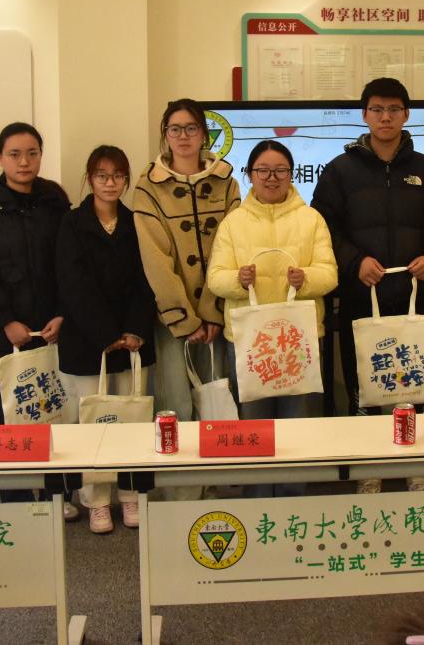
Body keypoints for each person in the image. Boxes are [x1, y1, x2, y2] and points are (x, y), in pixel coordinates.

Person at [312, 77, 424, 494]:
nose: (385, 117)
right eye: (377, 109)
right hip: (361, 301)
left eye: (394, 109)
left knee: (418, 389)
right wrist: (354, 261)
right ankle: (368, 471)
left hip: (417, 301)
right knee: (364, 394)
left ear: (406, 114)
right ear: (364, 115)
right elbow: (323, 228)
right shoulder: (340, 170)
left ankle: (419, 471)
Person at [206, 140, 337, 496]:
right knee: (254, 426)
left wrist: (306, 279)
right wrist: (238, 280)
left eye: (280, 170)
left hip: (299, 338)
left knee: (299, 424)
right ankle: (258, 499)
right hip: (250, 340)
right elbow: (215, 278)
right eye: (262, 170)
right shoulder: (233, 223)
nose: (271, 177)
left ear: (291, 174)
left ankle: (294, 502)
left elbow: (330, 274)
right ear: (250, 174)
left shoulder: (311, 219)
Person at [0, 122, 72, 516]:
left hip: (51, 330)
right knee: (10, 421)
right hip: (1, 335)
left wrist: (63, 313)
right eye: (15, 154)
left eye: (32, 153)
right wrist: (6, 320)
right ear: (0, 158)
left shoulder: (55, 202)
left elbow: (69, 263)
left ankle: (59, 495)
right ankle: (18, 502)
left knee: (55, 416)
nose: (24, 162)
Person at [132, 98, 240, 499]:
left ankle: (212, 487)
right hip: (173, 318)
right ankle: (180, 493)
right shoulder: (148, 187)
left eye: (191, 128)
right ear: (165, 134)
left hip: (216, 314)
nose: (183, 137)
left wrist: (211, 311)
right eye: (174, 129)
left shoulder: (226, 181)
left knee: (215, 401)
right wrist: (185, 318)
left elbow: (232, 246)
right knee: (175, 402)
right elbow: (155, 259)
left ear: (203, 135)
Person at [56, 144, 157, 532]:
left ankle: (130, 495)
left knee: (133, 420)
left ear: (126, 180)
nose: (110, 183)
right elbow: (73, 284)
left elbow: (146, 281)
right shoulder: (72, 223)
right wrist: (106, 334)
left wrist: (133, 330)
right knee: (92, 422)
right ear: (90, 179)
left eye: (117, 176)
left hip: (132, 341)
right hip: (88, 341)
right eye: (102, 175)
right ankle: (97, 500)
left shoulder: (137, 222)